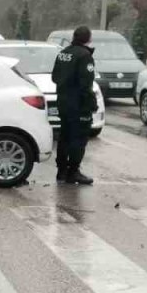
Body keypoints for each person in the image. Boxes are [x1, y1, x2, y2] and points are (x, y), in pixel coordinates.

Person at [51, 25, 97, 186]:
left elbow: (55, 77)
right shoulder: (84, 56)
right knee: (79, 138)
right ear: (88, 39)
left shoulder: (63, 53)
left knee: (64, 137)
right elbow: (86, 85)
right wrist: (92, 104)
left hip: (63, 103)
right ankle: (73, 171)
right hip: (78, 105)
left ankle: (61, 171)